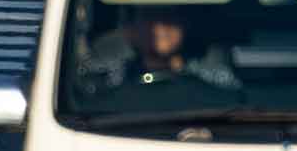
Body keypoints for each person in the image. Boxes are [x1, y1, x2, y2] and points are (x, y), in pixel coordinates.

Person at [77, 10, 241, 95]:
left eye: (167, 23)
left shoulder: (209, 68)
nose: (158, 29)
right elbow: (84, 70)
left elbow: (232, 85)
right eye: (152, 21)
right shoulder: (115, 69)